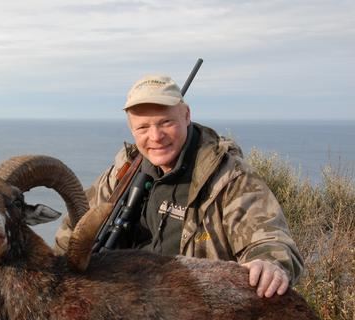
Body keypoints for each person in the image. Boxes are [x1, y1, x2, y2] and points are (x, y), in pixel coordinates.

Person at [55, 74, 303, 297]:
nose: (155, 136)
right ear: (132, 130)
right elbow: (73, 230)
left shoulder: (229, 179)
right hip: (125, 308)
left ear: (186, 116)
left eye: (166, 122)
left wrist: (268, 263)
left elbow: (270, 241)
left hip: (196, 315)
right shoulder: (122, 175)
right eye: (143, 127)